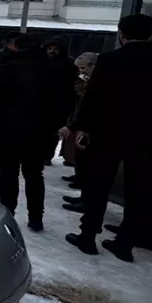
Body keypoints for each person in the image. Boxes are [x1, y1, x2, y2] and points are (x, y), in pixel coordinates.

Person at [64, 14, 152, 261]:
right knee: (139, 191)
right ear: (150, 33)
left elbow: (94, 98)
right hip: (151, 140)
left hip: (108, 134)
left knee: (99, 186)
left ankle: (88, 236)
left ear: (122, 33)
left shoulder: (111, 61)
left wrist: (80, 127)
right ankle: (125, 243)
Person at [0, 34, 73, 231]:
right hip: (40, 133)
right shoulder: (55, 71)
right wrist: (53, 127)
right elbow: (65, 103)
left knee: (8, 174)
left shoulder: (8, 68)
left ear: (18, 48)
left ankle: (8, 214)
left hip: (9, 130)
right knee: (34, 174)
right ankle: (36, 218)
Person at [60, 52, 98, 197]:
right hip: (80, 119)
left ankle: (85, 190)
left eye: (83, 68)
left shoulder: (97, 82)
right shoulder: (84, 81)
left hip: (89, 126)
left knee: (88, 158)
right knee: (81, 154)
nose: (81, 72)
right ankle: (80, 181)